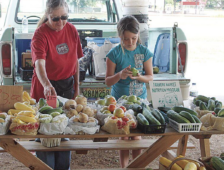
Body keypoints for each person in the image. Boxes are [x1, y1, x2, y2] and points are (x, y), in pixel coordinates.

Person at [30, 0, 83, 169]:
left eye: (64, 17)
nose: (60, 22)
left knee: (63, 129)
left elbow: (75, 61)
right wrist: (46, 84)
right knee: (46, 132)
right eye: (55, 19)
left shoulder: (72, 29)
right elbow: (39, 64)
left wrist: (77, 86)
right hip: (47, 88)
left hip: (66, 86)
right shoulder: (40, 34)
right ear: (47, 16)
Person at [105, 15, 153, 168]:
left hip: (140, 100)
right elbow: (107, 81)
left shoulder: (145, 52)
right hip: (119, 102)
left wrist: (140, 76)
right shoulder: (114, 54)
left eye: (133, 38)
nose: (130, 42)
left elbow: (150, 77)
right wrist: (119, 75)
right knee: (124, 136)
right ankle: (124, 167)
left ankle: (137, 166)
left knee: (136, 135)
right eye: (126, 39)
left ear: (138, 34)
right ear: (120, 36)